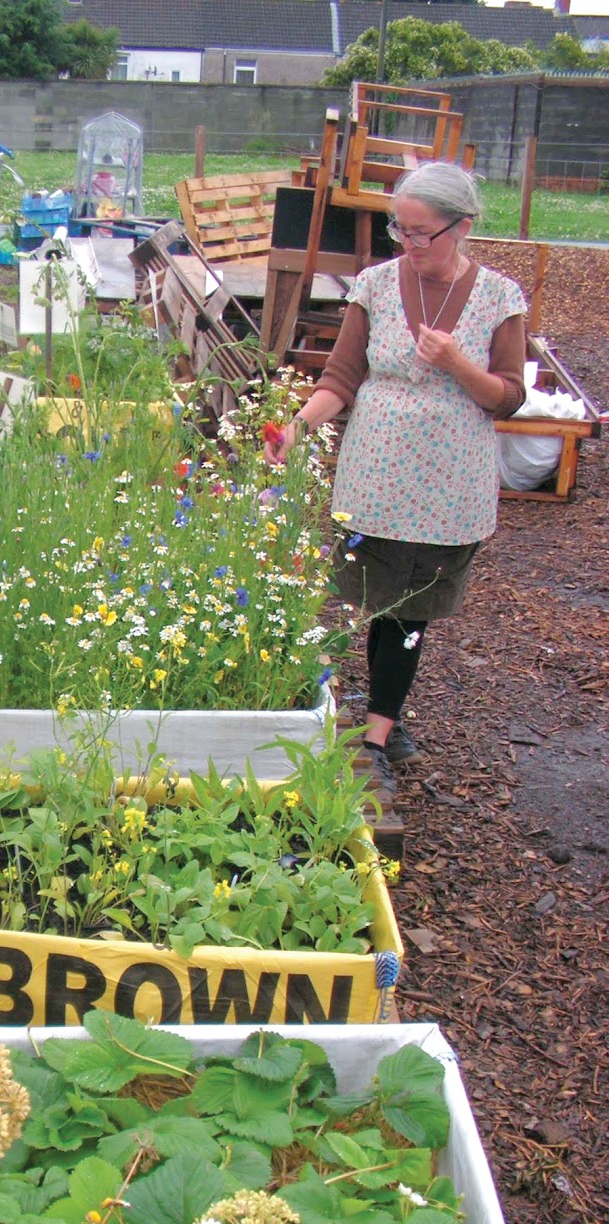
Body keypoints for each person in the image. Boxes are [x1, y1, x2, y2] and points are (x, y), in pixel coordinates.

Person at [266, 162, 527, 792]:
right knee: (382, 601)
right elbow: (341, 378)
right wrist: (298, 428)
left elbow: (509, 397)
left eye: (420, 232)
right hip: (378, 472)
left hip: (449, 481)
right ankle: (389, 715)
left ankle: (378, 734)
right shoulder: (376, 286)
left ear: (461, 227)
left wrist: (459, 363)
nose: (407, 244)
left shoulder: (499, 298)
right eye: (399, 230)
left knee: (413, 609)